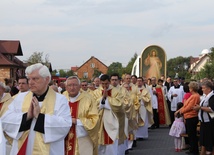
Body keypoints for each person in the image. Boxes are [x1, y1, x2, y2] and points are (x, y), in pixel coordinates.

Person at [1, 63, 72, 155]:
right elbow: (6, 120)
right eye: (29, 79)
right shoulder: (19, 98)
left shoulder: (60, 100)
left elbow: (65, 125)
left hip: (50, 151)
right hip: (23, 149)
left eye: (35, 79)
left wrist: (40, 117)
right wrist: (27, 116)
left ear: (46, 79)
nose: (30, 82)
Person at [63, 76, 99, 155]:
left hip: (82, 139)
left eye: (75, 85)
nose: (72, 88)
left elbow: (94, 120)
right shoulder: (62, 98)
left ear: (80, 87)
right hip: (63, 139)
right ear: (65, 87)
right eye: (69, 85)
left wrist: (76, 121)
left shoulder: (88, 99)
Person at [93, 74, 122, 155]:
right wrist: (102, 99)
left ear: (109, 82)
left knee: (111, 146)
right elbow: (93, 105)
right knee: (99, 145)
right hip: (99, 121)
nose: (104, 86)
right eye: (103, 84)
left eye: (106, 83)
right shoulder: (96, 92)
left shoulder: (116, 91)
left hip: (111, 121)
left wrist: (107, 98)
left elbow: (119, 104)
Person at [174, 81, 200, 155]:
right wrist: (180, 110)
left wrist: (181, 111)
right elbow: (185, 105)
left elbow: (189, 107)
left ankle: (194, 150)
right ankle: (192, 149)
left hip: (192, 116)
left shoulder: (195, 96)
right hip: (188, 116)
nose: (189, 88)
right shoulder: (193, 96)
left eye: (190, 87)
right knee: (190, 134)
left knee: (192, 134)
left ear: (192, 88)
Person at [193, 80, 214, 155]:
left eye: (204, 88)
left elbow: (211, 109)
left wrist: (200, 108)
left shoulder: (212, 97)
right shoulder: (205, 96)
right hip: (204, 122)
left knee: (209, 143)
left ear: (209, 89)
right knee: (203, 143)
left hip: (209, 123)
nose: (202, 89)